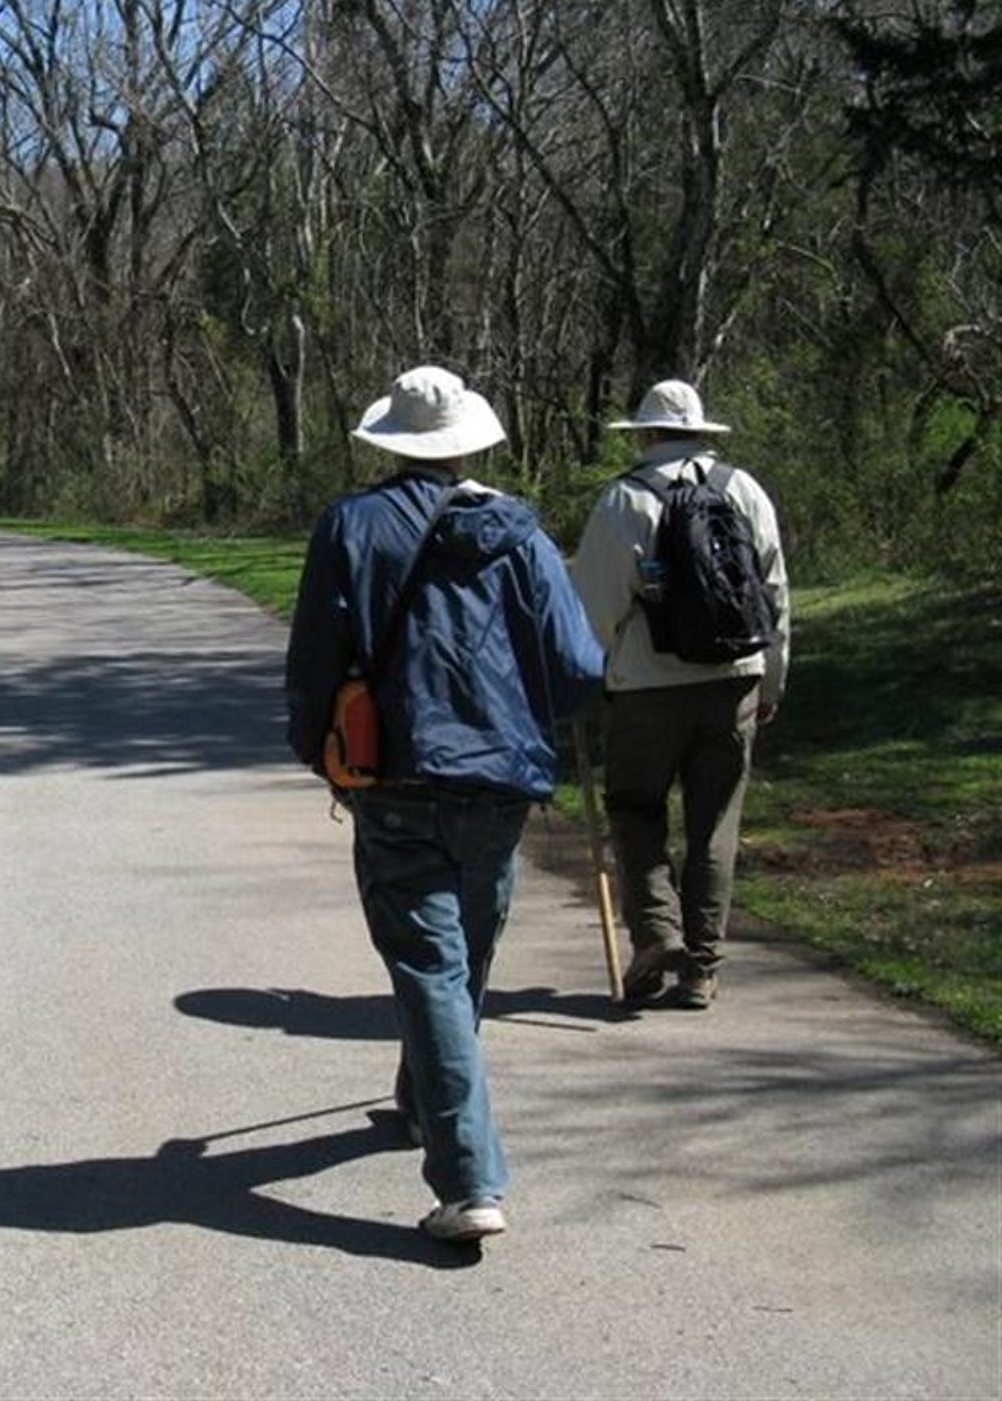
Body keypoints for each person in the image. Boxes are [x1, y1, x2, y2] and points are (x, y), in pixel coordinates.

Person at [286, 365, 603, 1244]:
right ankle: (424, 1101)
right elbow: (577, 669)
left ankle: (470, 1183)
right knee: (457, 956)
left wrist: (319, 751)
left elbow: (316, 659)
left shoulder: (351, 526)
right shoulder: (523, 534)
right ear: (471, 439)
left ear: (393, 443)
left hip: (397, 776)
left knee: (431, 965)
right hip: (501, 781)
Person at [572, 379, 788, 1011]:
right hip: (734, 678)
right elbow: (774, 595)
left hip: (645, 685)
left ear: (644, 435)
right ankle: (702, 969)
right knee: (714, 824)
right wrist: (770, 678)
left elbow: (596, 608)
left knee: (635, 808)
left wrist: (596, 671)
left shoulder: (622, 500)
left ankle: (658, 934)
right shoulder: (743, 490)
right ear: (700, 431)